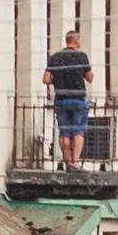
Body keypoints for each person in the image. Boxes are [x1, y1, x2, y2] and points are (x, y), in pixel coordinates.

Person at [42, 31, 94, 169]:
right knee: (78, 131)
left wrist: (57, 81)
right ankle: (75, 162)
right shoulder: (81, 56)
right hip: (78, 98)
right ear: (76, 41)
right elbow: (90, 78)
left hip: (61, 99)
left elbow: (46, 79)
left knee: (64, 132)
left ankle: (67, 163)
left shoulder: (55, 57)